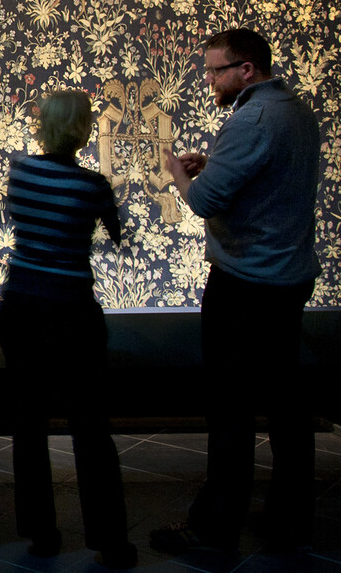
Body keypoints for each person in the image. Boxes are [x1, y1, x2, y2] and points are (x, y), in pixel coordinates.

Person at [153, 28, 321, 554]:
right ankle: (289, 516)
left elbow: (203, 202)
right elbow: (265, 181)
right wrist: (218, 168)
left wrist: (180, 174)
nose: (209, 80)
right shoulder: (296, 110)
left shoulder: (251, 119)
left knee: (231, 407)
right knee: (287, 405)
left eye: (214, 70)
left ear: (246, 68)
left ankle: (214, 526)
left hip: (247, 281)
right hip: (289, 276)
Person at [0, 89, 137, 569]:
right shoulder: (94, 185)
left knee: (28, 425)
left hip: (20, 305)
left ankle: (41, 533)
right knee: (91, 427)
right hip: (73, 308)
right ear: (82, 130)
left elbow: (21, 222)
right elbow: (118, 236)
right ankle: (110, 540)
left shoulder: (20, 170)